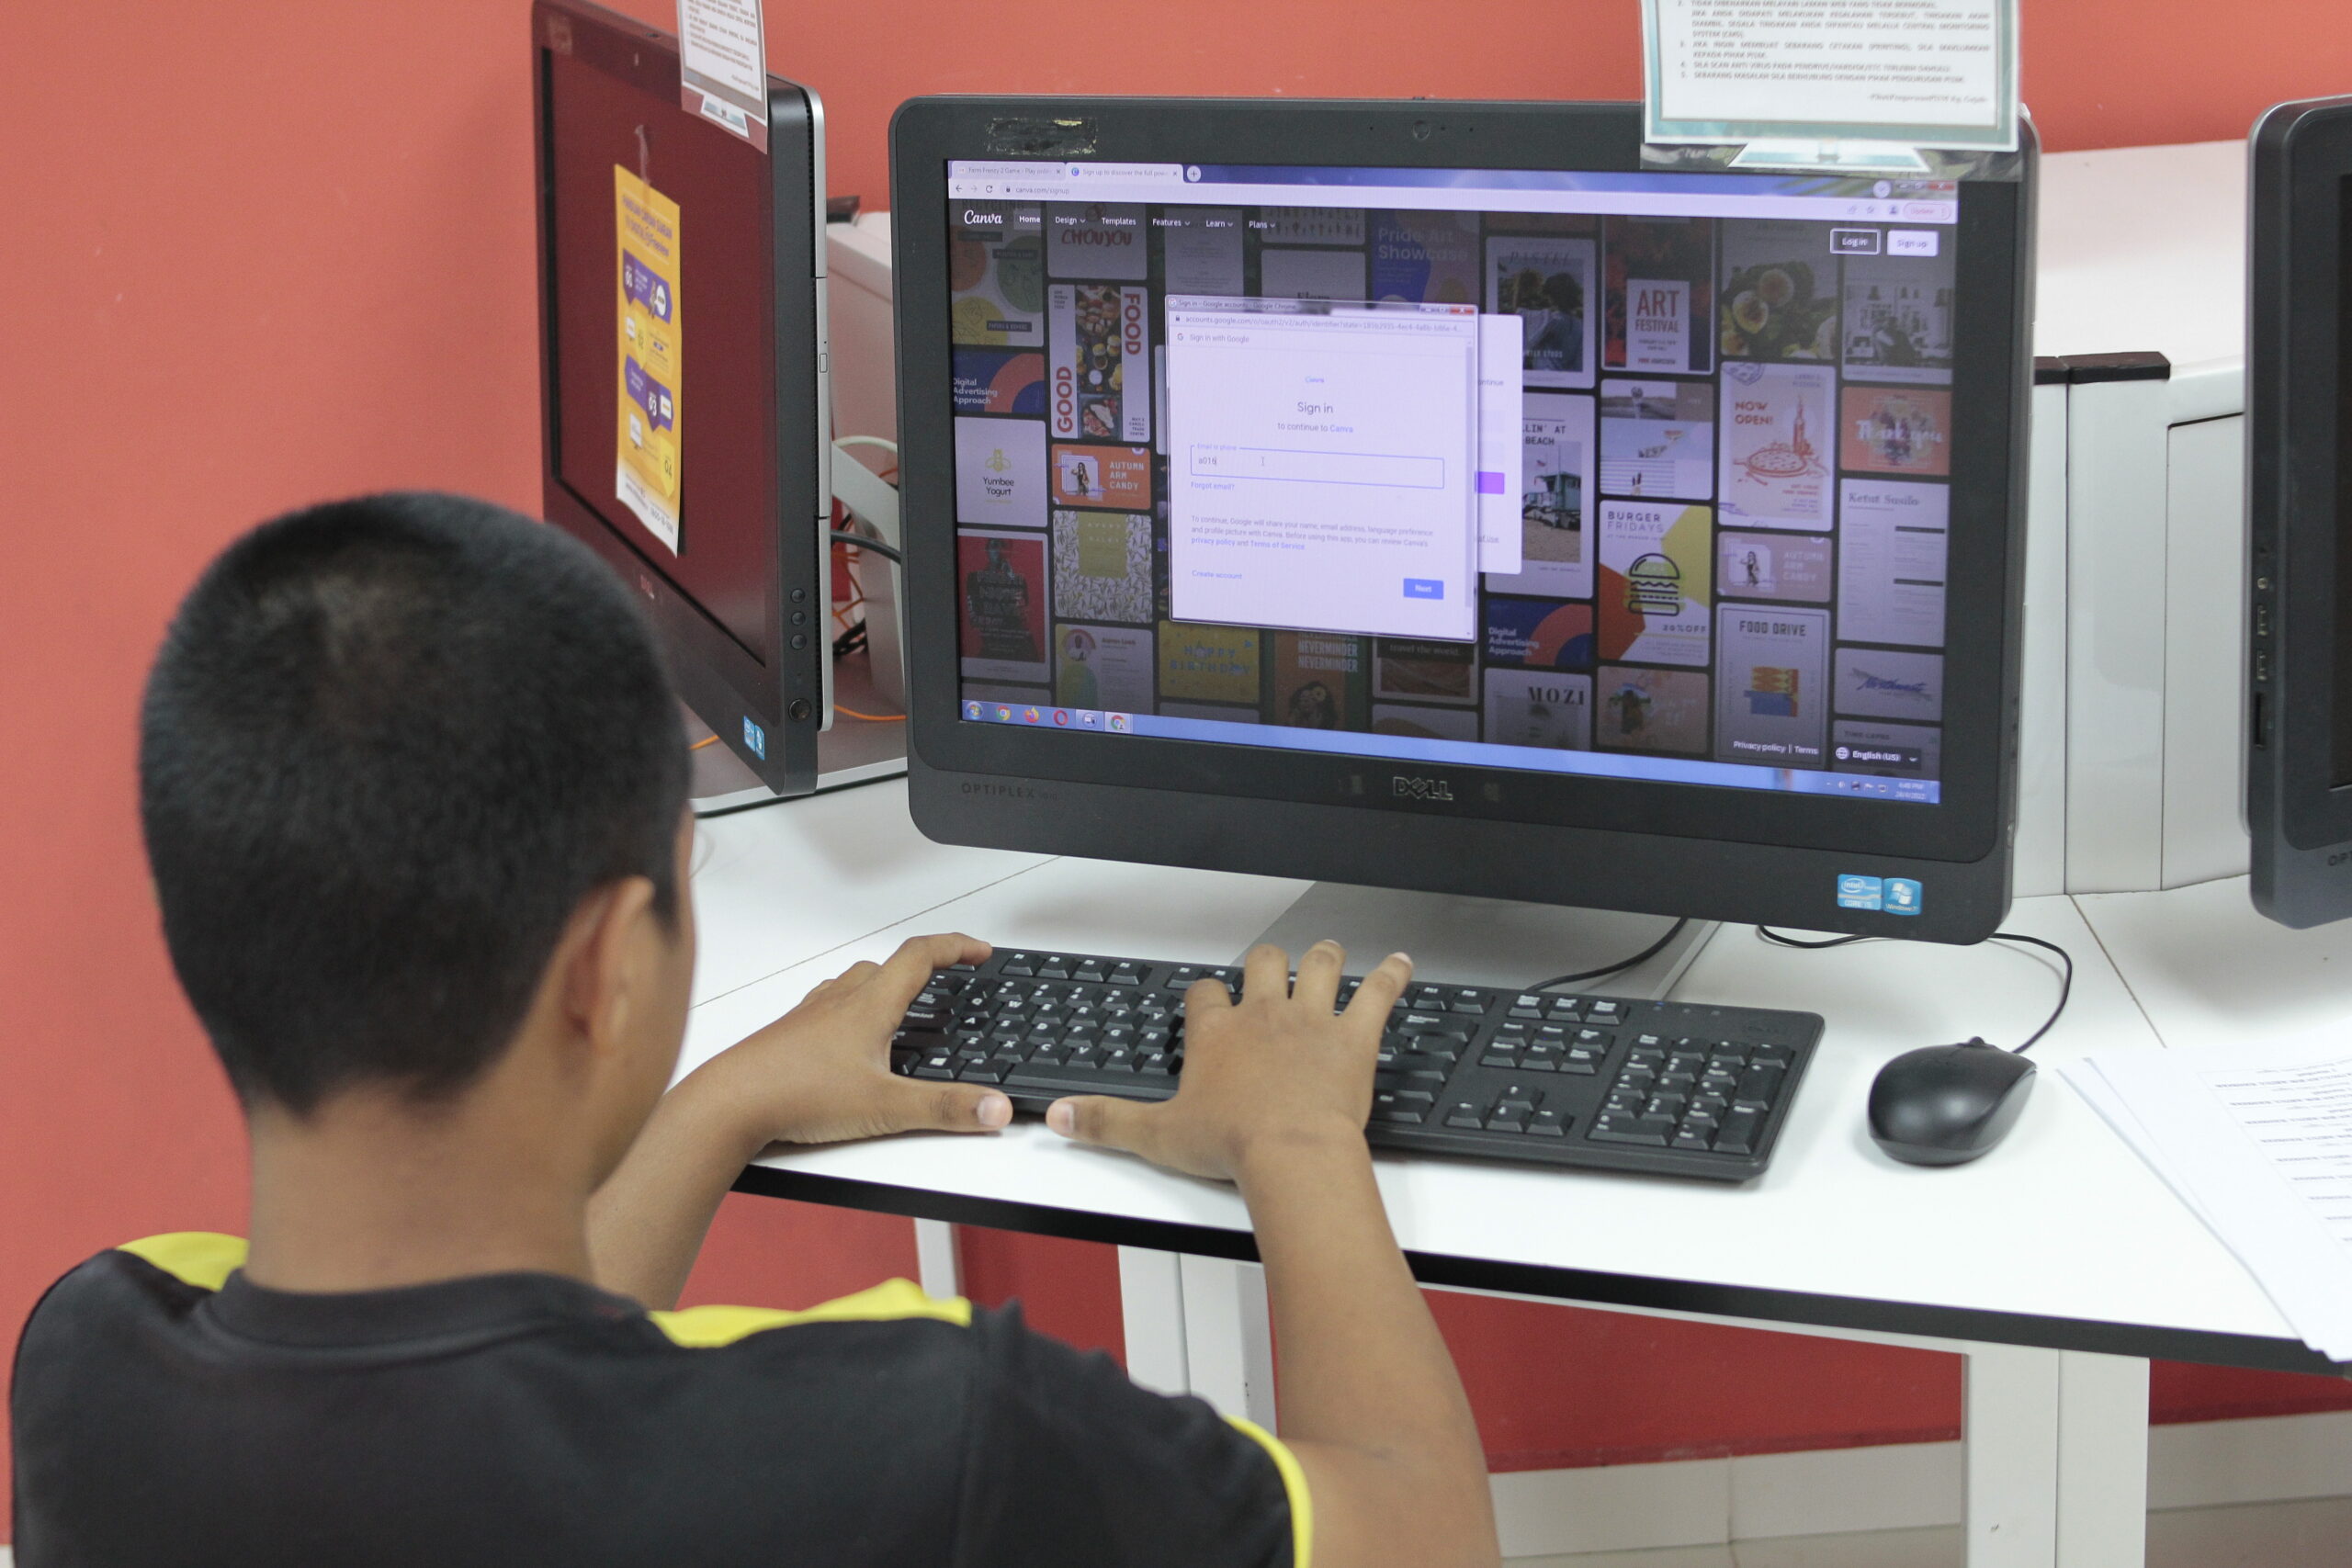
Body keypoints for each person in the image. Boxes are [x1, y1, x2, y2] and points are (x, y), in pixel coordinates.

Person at [9, 492, 1498, 1568]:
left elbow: (458, 1407)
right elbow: (1426, 1539)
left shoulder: (90, 1366)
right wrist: (1297, 1133)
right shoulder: (928, 1439)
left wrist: (720, 1107)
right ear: (605, 969)